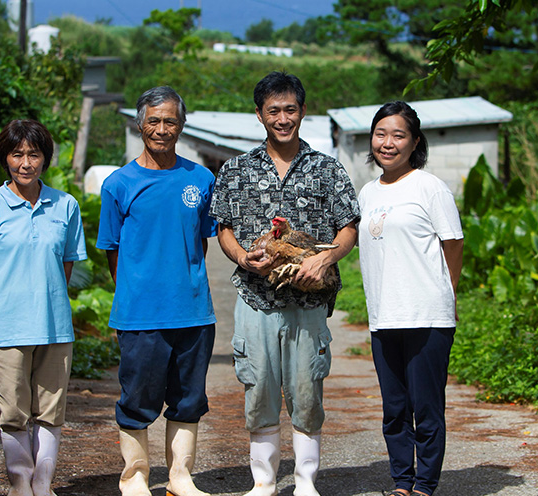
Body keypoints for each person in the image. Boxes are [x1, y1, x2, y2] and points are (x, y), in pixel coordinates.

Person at [210, 71, 360, 496]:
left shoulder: (326, 169)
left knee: (306, 388)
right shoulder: (237, 170)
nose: (282, 118)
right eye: (273, 110)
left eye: (290, 109)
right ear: (258, 114)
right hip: (255, 298)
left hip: (309, 302)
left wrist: (326, 257)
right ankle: (264, 482)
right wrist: (243, 258)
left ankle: (306, 481)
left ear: (303, 112)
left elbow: (349, 227)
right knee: (258, 387)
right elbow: (224, 228)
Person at [96, 86, 217, 496]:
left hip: (194, 312)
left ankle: (180, 478)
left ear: (181, 125)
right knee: (138, 399)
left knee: (189, 399)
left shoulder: (201, 179)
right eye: (154, 120)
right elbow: (112, 252)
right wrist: (137, 291)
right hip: (139, 314)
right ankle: (135, 477)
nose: (162, 129)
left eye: (170, 121)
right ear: (139, 124)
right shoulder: (118, 184)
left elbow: (199, 243)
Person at [0, 119, 88, 496]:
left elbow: (65, 263)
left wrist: (44, 297)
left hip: (54, 326)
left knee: (51, 410)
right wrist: (3, 301)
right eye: (17, 154)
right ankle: (19, 481)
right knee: (14, 412)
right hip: (7, 327)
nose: (25, 163)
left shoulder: (65, 206)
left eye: (34, 154)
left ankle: (42, 482)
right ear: (6, 158)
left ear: (45, 160)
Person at [356, 101, 464, 496]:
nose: (388, 143)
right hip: (384, 317)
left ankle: (425, 486)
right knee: (394, 409)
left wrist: (445, 294)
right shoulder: (367, 193)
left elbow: (453, 245)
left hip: (428, 316)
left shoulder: (430, 187)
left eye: (398, 135)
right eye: (381, 134)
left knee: (427, 407)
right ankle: (402, 482)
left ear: (415, 142)